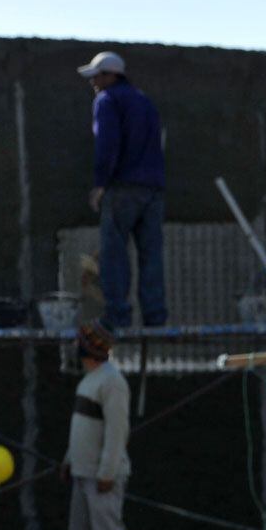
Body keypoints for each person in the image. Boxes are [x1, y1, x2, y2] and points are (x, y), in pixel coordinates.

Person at [79, 50, 167, 330]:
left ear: (110, 76)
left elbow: (107, 145)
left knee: (114, 254)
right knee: (151, 256)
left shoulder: (107, 101)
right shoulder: (144, 101)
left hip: (123, 188)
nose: (93, 82)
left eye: (96, 76)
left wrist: (101, 184)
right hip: (153, 189)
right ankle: (155, 319)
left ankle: (118, 316)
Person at [55, 322, 136, 530]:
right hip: (82, 472)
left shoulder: (111, 381)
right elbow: (82, 429)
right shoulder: (89, 380)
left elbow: (116, 432)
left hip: (101, 476)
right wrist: (69, 461)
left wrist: (107, 473)